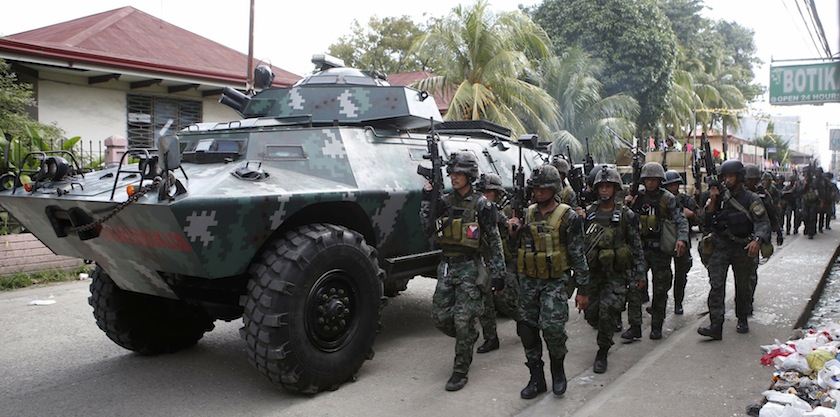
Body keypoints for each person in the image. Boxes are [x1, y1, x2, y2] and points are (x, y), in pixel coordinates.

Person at [420, 151, 506, 391]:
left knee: (462, 321)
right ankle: (468, 337)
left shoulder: (483, 205)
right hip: (447, 267)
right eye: (451, 173)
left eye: (458, 173)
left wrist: (499, 274)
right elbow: (426, 229)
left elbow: (494, 239)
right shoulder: (445, 201)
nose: (453, 177)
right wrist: (428, 200)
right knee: (440, 317)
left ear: (469, 176)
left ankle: (460, 371)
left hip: (470, 267)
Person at [508, 164, 589, 399]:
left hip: (555, 282)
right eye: (536, 187)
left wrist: (583, 289)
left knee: (553, 329)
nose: (539, 191)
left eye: (544, 187)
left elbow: (577, 255)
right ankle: (536, 378)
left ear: (553, 188)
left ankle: (558, 371)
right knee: (527, 330)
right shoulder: (527, 213)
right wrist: (513, 233)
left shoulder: (568, 217)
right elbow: (515, 250)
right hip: (529, 282)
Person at [579, 166, 644, 373]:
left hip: (615, 274)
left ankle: (603, 351)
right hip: (593, 272)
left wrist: (639, 273)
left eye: (608, 187)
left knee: (606, 312)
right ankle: (605, 330)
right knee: (591, 315)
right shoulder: (588, 214)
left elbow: (636, 245)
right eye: (601, 187)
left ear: (615, 189)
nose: (605, 190)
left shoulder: (627, 215)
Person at [698, 160, 770, 340]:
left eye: (731, 176)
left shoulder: (751, 199)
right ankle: (716, 325)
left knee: (743, 285)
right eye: (725, 177)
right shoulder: (718, 196)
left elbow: (762, 222)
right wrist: (713, 200)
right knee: (716, 285)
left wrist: (757, 240)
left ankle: (742, 317)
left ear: (739, 177)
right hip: (720, 246)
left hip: (742, 247)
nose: (727, 180)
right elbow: (705, 221)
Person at [623, 162, 688, 341]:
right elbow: (626, 219)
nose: (651, 183)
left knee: (660, 290)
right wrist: (627, 204)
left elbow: (681, 220)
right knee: (635, 288)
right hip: (641, 249)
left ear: (660, 180)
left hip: (661, 251)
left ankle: (657, 325)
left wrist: (682, 238)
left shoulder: (668, 198)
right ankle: (635, 326)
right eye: (647, 179)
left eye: (654, 179)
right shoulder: (638, 197)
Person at [474, 173, 518, 354]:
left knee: (509, 301)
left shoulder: (499, 212)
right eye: (483, 192)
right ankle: (491, 338)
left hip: (502, 263)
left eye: (489, 192)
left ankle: (527, 325)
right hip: (482, 262)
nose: (485, 195)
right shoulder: (477, 207)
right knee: (485, 304)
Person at [662, 170, 701, 315]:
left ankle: (678, 302)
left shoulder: (686, 200)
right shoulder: (662, 200)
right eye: (669, 185)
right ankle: (660, 303)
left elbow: (700, 219)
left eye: (675, 185)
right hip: (665, 240)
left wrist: (691, 214)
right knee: (663, 275)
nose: (673, 188)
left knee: (681, 274)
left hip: (682, 240)